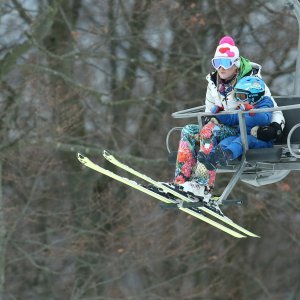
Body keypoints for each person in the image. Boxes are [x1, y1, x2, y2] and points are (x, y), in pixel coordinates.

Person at [174, 35, 285, 197]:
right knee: (189, 130)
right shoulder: (213, 83)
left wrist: (275, 129)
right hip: (223, 126)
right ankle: (181, 182)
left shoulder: (252, 82)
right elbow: (209, 110)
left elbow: (272, 108)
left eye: (225, 63)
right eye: (216, 63)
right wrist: (212, 116)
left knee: (210, 131)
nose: (221, 68)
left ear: (236, 64)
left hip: (241, 129)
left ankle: (202, 185)